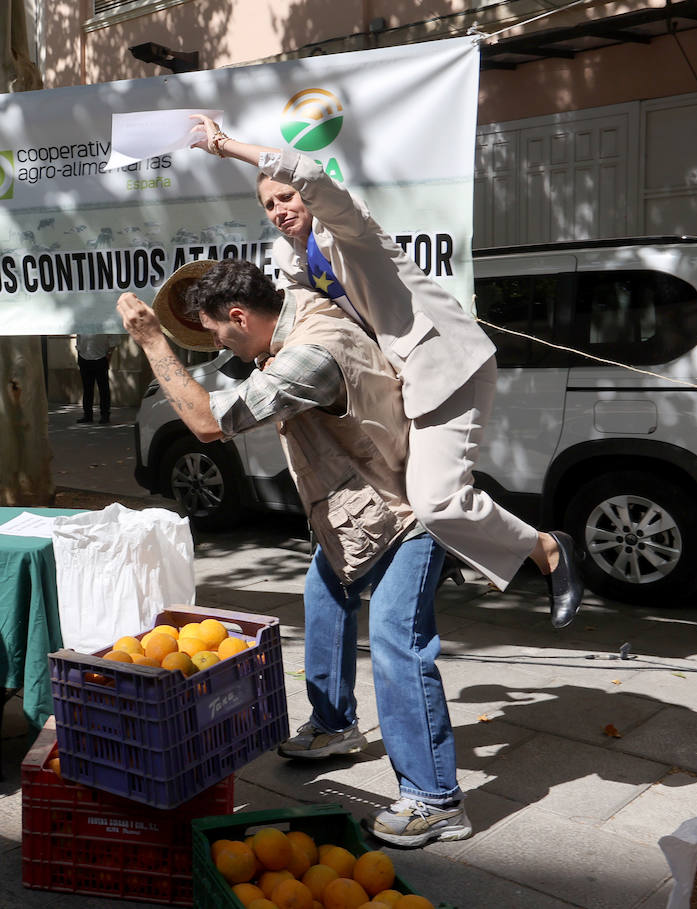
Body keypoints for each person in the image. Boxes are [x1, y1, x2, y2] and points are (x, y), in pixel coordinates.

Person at [118, 259, 471, 846]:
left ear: (239, 316)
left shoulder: (311, 356)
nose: (218, 345)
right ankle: (334, 725)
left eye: (218, 332)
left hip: (405, 512)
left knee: (396, 644)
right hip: (357, 508)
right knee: (324, 599)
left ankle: (436, 800)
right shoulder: (305, 309)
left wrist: (154, 341)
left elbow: (206, 423)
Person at [188, 115, 582, 629]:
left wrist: (223, 145)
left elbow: (309, 173)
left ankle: (548, 550)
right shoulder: (289, 259)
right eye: (269, 205)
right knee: (402, 492)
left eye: (286, 197)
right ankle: (447, 557)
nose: (280, 210)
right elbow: (302, 319)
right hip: (398, 382)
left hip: (445, 364)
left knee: (437, 503)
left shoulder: (347, 227)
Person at [75, 333, 113, 424]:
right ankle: (87, 415)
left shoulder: (105, 325)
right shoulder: (82, 325)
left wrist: (109, 355)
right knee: (87, 388)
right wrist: (79, 354)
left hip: (100, 358)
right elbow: (79, 339)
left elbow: (114, 340)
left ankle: (105, 415)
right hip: (84, 358)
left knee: (103, 389)